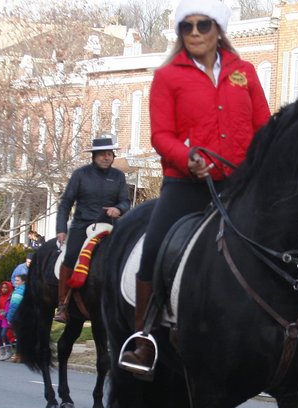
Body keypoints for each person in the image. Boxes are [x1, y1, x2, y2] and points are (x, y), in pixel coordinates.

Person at [119, 0, 271, 376]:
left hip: (238, 184)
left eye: (204, 25)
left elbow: (264, 127)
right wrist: (187, 159)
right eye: (187, 27)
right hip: (186, 184)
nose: (196, 33)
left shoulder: (245, 73)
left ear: (218, 29)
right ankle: (143, 338)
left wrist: (263, 164)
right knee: (153, 248)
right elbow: (160, 135)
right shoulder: (168, 76)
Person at [54, 135, 131, 322]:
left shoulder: (119, 176)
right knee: (71, 256)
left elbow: (125, 201)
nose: (107, 157)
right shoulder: (80, 175)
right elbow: (65, 204)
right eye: (103, 154)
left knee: (127, 254)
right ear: (94, 156)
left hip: (109, 226)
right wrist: (61, 229)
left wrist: (118, 209)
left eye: (110, 154)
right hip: (83, 225)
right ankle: (63, 304)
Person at [0, 281, 14, 361]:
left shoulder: (11, 297)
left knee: (3, 335)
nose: (4, 289)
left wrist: (6, 313)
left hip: (6, 319)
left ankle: (9, 351)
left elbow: (11, 308)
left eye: (6, 287)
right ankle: (2, 353)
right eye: (2, 287)